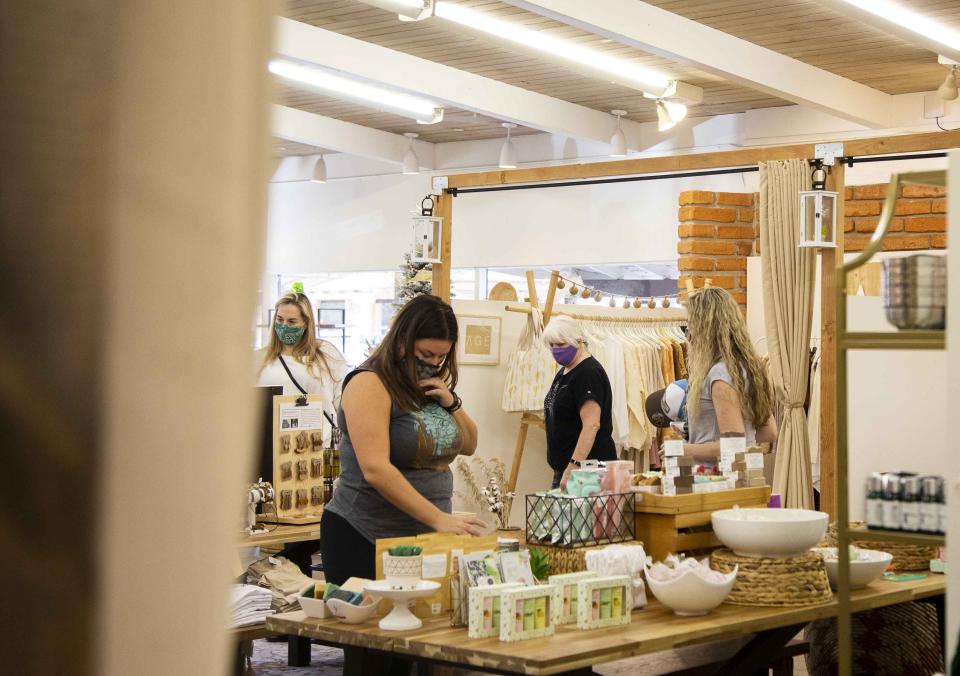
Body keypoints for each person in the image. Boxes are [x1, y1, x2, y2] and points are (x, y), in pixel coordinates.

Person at [320, 294, 486, 586]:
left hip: (424, 539)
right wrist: (438, 518)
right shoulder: (369, 383)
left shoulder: (429, 388)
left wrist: (452, 402)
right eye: (426, 354)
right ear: (402, 341)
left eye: (441, 356)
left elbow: (470, 445)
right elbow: (375, 469)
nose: (433, 363)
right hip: (366, 534)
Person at [255, 289, 348, 573]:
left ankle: (295, 574)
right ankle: (288, 577)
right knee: (283, 524)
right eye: (280, 319)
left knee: (319, 522)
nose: (284, 326)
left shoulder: (325, 355)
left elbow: (341, 400)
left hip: (321, 452)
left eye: (292, 321)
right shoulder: (261, 360)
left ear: (306, 323)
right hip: (278, 454)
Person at [652, 287, 777, 464]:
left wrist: (685, 449)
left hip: (715, 481)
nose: (689, 334)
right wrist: (701, 433)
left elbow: (733, 446)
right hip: (740, 478)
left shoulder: (719, 374)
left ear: (707, 327)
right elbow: (769, 432)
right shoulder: (747, 368)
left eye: (691, 325)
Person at [541, 315, 618, 490]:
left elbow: (591, 425)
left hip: (585, 472)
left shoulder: (588, 373)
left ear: (578, 340)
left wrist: (573, 466)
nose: (555, 350)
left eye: (560, 344)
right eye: (552, 345)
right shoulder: (565, 371)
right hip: (569, 469)